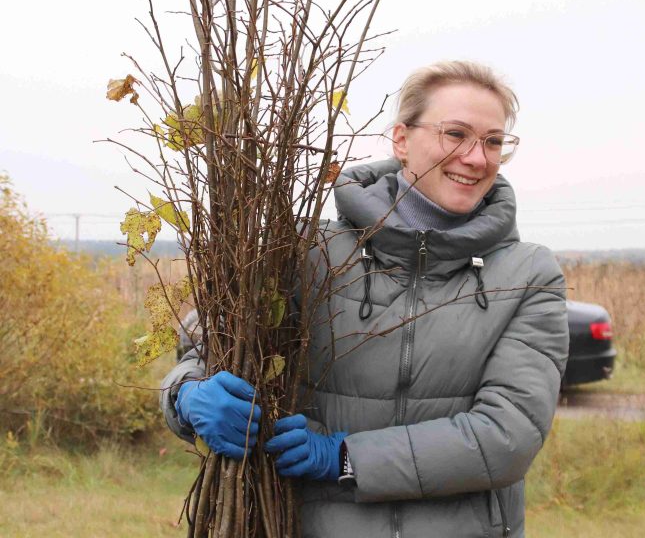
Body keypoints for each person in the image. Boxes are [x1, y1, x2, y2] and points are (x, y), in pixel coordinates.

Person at [160, 60, 569, 537]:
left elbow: (508, 436)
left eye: (494, 141)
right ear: (401, 140)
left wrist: (343, 457)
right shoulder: (304, 252)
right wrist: (187, 396)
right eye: (455, 134)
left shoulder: (527, 275)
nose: (477, 158)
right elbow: (204, 349)